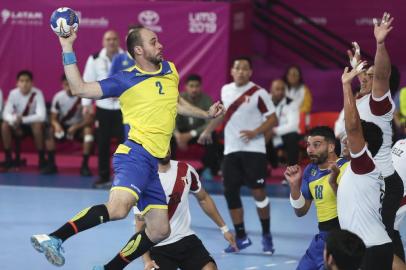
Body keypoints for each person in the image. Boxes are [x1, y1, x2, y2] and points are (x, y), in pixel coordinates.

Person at [30, 25, 224, 270]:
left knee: (160, 230)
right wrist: (67, 46)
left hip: (152, 164)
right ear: (139, 50)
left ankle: (109, 268)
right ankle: (55, 237)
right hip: (135, 154)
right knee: (119, 209)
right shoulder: (125, 79)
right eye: (154, 42)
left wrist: (205, 114)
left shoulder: (170, 69)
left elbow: (175, 102)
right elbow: (79, 88)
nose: (161, 45)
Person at [198, 57, 278, 253]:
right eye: (237, 68)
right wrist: (208, 130)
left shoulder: (260, 93)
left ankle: (266, 235)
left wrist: (256, 132)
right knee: (230, 192)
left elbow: (273, 119)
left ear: (250, 72)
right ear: (232, 71)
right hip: (231, 151)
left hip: (254, 150)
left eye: (244, 69)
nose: (240, 71)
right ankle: (241, 237)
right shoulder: (226, 90)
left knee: (258, 193)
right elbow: (222, 115)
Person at [344, 13, 404, 256]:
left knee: (380, 239)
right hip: (363, 178)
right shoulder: (358, 100)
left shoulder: (380, 104)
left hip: (383, 183)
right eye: (363, 75)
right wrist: (357, 63)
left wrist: (380, 44)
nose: (365, 78)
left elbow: (381, 74)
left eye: (369, 77)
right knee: (378, 237)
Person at [135, 150, 236, 270]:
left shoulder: (185, 170)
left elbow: (203, 198)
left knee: (210, 268)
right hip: (157, 246)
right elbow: (140, 227)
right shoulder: (143, 180)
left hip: (185, 239)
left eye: (167, 143)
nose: (165, 149)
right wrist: (146, 261)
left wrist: (224, 229)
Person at [338, 60, 393, 270]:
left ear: (365, 144)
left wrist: (346, 86)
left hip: (370, 249)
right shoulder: (360, 170)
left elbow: (352, 127)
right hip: (370, 247)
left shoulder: (365, 165)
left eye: (351, 140)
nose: (346, 140)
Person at [284, 126, 348, 270]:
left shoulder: (346, 168)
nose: (310, 150)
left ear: (331, 147)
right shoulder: (310, 170)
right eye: (308, 145)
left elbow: (351, 206)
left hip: (341, 239)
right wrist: (294, 186)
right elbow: (301, 211)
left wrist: (333, 182)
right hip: (321, 239)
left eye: (316, 145)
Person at [81, 30, 124, 188]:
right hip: (102, 108)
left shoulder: (127, 58)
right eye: (108, 39)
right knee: (103, 143)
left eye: (114, 39)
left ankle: (123, 177)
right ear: (103, 42)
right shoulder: (94, 58)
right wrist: (86, 105)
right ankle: (104, 176)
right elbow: (87, 81)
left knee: (125, 144)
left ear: (118, 41)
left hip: (123, 108)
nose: (111, 42)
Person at [41, 75, 94, 175]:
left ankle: (85, 166)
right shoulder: (58, 97)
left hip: (78, 127)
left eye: (71, 84)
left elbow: (89, 120)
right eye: (66, 84)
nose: (69, 87)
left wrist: (76, 127)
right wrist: (56, 125)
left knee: (88, 133)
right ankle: (51, 164)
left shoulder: (84, 97)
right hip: (62, 127)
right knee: (48, 131)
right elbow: (53, 118)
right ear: (62, 85)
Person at [174, 74, 221, 176]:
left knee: (212, 136)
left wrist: (192, 134)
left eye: (197, 86)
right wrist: (178, 136)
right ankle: (168, 168)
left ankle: (207, 168)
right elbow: (171, 120)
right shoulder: (179, 98)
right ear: (186, 87)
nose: (194, 89)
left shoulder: (206, 100)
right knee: (167, 137)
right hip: (181, 134)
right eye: (191, 86)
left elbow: (210, 124)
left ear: (201, 87)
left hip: (197, 134)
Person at [1, 70, 46, 170]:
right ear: (17, 83)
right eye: (21, 81)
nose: (24, 84)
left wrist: (23, 120)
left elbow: (41, 116)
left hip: (31, 125)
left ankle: (41, 159)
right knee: (4, 125)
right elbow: (5, 114)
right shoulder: (13, 94)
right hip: (17, 124)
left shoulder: (37, 93)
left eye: (27, 81)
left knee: (38, 125)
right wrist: (14, 120)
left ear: (32, 83)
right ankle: (8, 159)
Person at [267, 79, 300, 167]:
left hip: (284, 134)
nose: (280, 92)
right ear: (271, 90)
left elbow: (293, 126)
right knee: (258, 137)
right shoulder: (265, 101)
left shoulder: (291, 103)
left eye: (282, 89)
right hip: (267, 133)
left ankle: (292, 170)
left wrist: (274, 131)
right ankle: (263, 169)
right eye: (277, 89)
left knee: (293, 136)